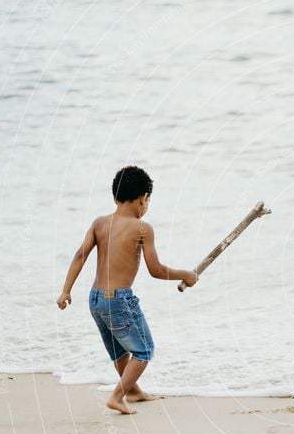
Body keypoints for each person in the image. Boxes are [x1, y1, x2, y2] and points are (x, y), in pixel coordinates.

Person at [56, 166, 198, 414]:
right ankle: (117, 396)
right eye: (148, 201)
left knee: (120, 351)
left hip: (96, 299)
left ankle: (133, 391)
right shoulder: (142, 228)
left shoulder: (99, 223)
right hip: (119, 300)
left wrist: (65, 291)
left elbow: (80, 255)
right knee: (144, 349)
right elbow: (155, 269)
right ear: (143, 198)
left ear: (115, 197)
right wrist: (184, 274)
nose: (146, 206)